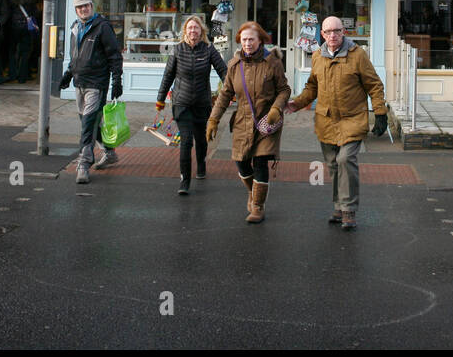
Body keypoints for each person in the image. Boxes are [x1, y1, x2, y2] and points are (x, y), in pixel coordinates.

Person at [286, 16, 387, 231]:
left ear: (344, 32)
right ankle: (339, 207)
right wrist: (297, 103)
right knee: (332, 165)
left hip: (353, 119)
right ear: (321, 34)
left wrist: (380, 113)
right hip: (326, 121)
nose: (333, 35)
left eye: (337, 31)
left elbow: (374, 85)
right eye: (328, 32)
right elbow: (312, 87)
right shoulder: (317, 57)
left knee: (345, 159)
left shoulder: (357, 55)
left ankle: (349, 210)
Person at [207, 22, 288, 222]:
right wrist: (213, 119)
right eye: (244, 40)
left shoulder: (273, 62)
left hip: (266, 121)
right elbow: (225, 95)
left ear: (260, 40)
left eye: (251, 39)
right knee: (241, 162)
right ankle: (253, 192)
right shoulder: (235, 65)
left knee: (260, 161)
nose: (248, 43)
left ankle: (258, 207)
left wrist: (277, 108)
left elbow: (284, 89)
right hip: (242, 121)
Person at [156, 15, 227, 195]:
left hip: (202, 104)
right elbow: (168, 76)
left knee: (201, 140)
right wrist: (160, 99)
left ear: (201, 31)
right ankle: (185, 180)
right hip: (182, 103)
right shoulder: (177, 50)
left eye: (196, 28)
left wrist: (231, 90)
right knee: (186, 142)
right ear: (185, 31)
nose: (193, 31)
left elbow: (223, 71)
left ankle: (201, 164)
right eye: (190, 28)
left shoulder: (209, 49)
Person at [60, 0, 123, 184]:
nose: (83, 9)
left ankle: (84, 164)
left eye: (86, 6)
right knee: (89, 123)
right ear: (76, 10)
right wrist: (68, 75)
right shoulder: (74, 28)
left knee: (88, 124)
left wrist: (116, 81)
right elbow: (75, 57)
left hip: (97, 83)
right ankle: (110, 152)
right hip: (79, 82)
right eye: (80, 7)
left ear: (92, 6)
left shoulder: (102, 27)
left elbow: (114, 56)